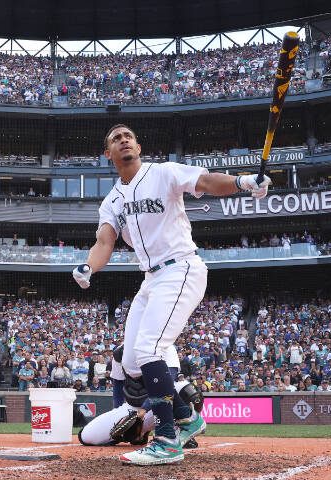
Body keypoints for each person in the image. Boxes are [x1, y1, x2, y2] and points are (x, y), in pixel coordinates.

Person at [72, 124, 270, 466]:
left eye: (128, 136)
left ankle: (166, 440)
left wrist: (244, 181)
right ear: (108, 154)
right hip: (151, 279)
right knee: (132, 363)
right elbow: (104, 242)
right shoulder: (112, 200)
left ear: (137, 145)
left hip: (181, 268)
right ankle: (188, 418)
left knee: (149, 349)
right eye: (116, 139)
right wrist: (89, 267)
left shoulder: (162, 173)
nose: (123, 141)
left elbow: (206, 182)